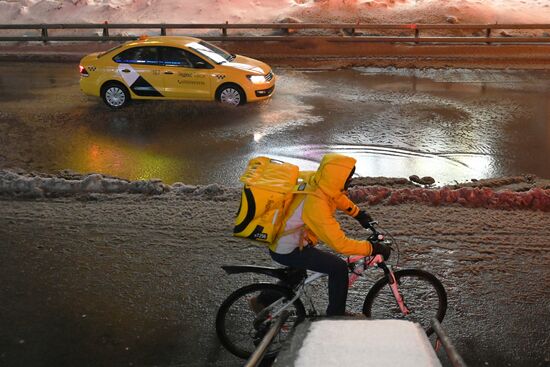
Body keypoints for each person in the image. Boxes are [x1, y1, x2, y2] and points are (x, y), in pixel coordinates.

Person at [253, 153, 391, 316]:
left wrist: (358, 213)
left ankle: (261, 301)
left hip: (283, 241)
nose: (349, 182)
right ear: (337, 179)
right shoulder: (316, 205)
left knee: (296, 276)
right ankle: (335, 315)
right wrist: (372, 248)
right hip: (289, 248)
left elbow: (336, 196)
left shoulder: (318, 182)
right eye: (347, 179)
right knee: (338, 268)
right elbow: (340, 244)